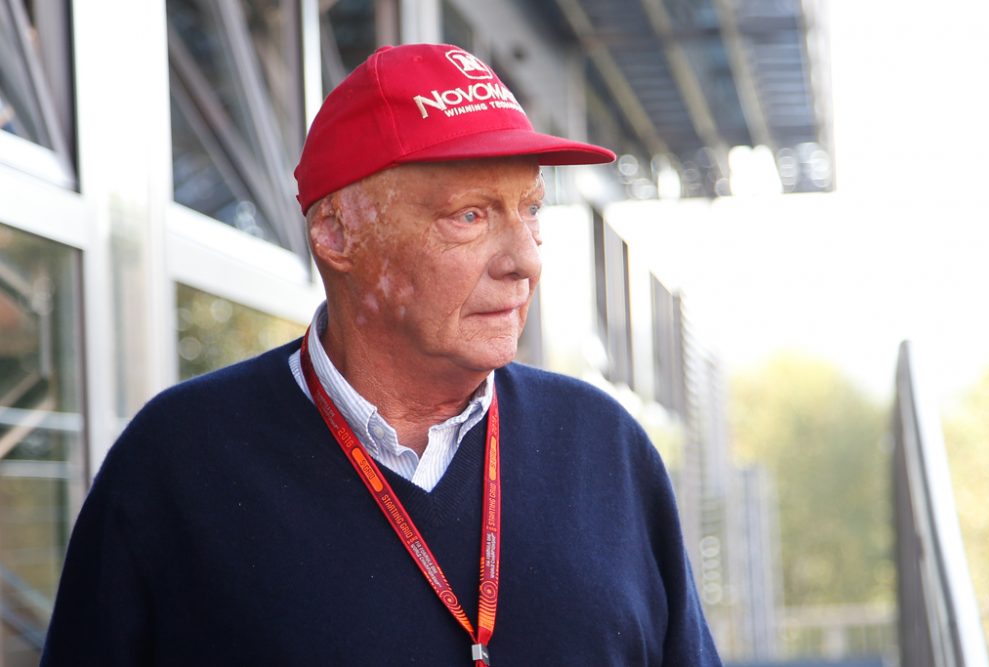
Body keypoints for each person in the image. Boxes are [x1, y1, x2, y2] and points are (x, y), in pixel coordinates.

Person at [41, 43, 721, 666]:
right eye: (472, 216)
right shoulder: (175, 463)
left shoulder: (604, 449)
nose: (524, 261)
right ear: (337, 234)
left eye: (531, 209)